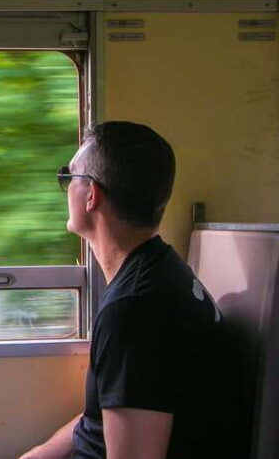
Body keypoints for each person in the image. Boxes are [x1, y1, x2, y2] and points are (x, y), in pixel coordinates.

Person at [19, 121, 243, 459]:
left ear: (92, 195)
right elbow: (105, 416)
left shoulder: (134, 311)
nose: (65, 187)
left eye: (69, 177)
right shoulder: (161, 270)